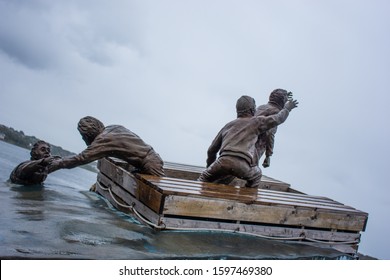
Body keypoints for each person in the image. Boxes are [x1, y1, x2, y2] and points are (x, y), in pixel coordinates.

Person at [198, 95, 298, 188]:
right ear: (252, 110)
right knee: (256, 175)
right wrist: (287, 108)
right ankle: (246, 197)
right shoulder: (256, 122)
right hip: (242, 166)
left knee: (203, 178)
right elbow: (277, 119)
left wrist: (210, 167)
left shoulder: (228, 125)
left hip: (222, 162)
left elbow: (211, 150)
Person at [51, 116, 165, 176]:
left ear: (88, 133)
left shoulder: (103, 139)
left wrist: (57, 164)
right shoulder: (114, 127)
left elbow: (82, 158)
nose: (83, 139)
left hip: (150, 165)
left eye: (83, 136)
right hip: (153, 159)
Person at [254, 89, 292, 168]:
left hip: (245, 141)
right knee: (251, 171)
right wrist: (268, 155)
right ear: (282, 100)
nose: (287, 101)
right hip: (257, 144)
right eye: (286, 99)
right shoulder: (276, 112)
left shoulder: (261, 107)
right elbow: (270, 134)